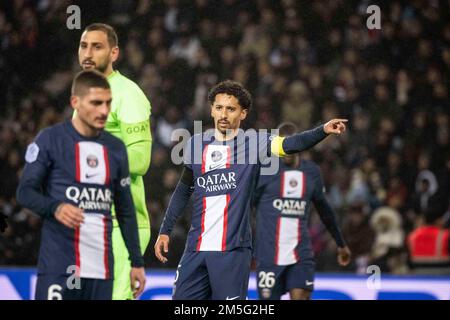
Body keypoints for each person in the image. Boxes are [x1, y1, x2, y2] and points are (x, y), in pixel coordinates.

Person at [154, 80, 348, 300]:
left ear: (243, 113)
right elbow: (183, 188)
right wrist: (165, 230)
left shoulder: (254, 143)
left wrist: (323, 130)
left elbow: (291, 144)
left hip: (232, 252)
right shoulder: (197, 144)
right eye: (219, 108)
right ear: (211, 110)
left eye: (231, 109)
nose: (223, 114)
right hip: (195, 249)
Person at [16, 70, 146, 300]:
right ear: (75, 102)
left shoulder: (115, 149)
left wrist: (136, 262)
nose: (104, 111)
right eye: (96, 103)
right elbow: (25, 192)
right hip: (59, 265)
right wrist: (55, 207)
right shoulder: (51, 139)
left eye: (108, 103)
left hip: (101, 269)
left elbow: (126, 211)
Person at [77, 23, 152, 300]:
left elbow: (141, 160)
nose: (88, 53)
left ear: (114, 53)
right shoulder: (84, 95)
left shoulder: (127, 93)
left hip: (121, 227)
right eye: (84, 46)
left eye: (97, 47)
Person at [252, 122, 351, 300]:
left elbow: (324, 210)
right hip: (269, 255)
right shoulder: (265, 170)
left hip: (301, 253)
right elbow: (245, 206)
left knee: (300, 296)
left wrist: (340, 243)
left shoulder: (311, 172)